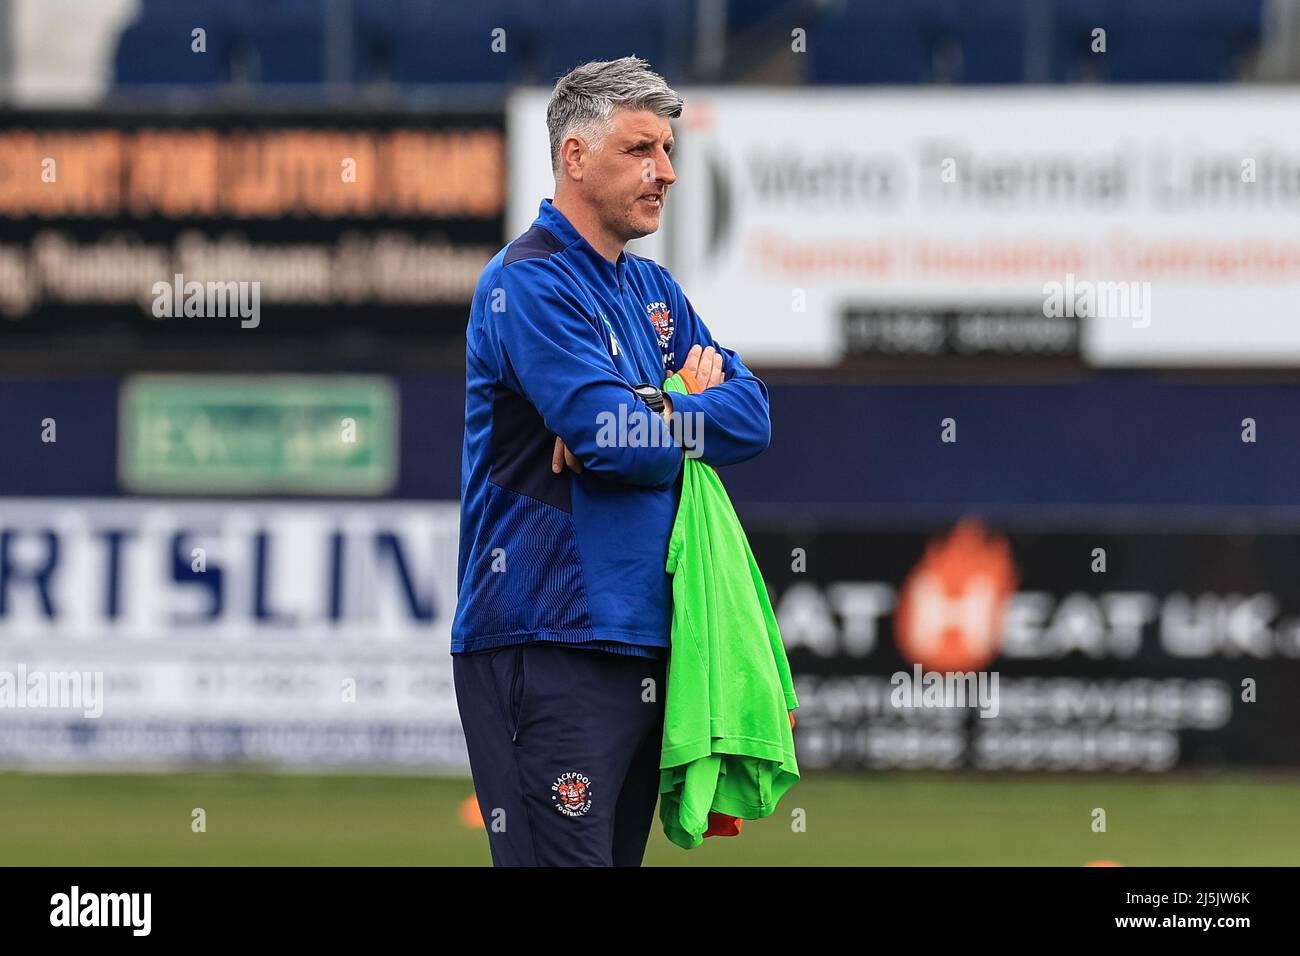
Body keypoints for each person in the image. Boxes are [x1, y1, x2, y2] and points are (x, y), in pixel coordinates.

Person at [451, 56, 771, 866]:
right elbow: (604, 438)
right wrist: (639, 418)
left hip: (643, 643)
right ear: (574, 156)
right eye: (639, 150)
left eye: (667, 151)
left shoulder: (655, 292)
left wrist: (653, 408)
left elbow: (753, 414)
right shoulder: (526, 284)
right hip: (548, 634)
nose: (665, 172)